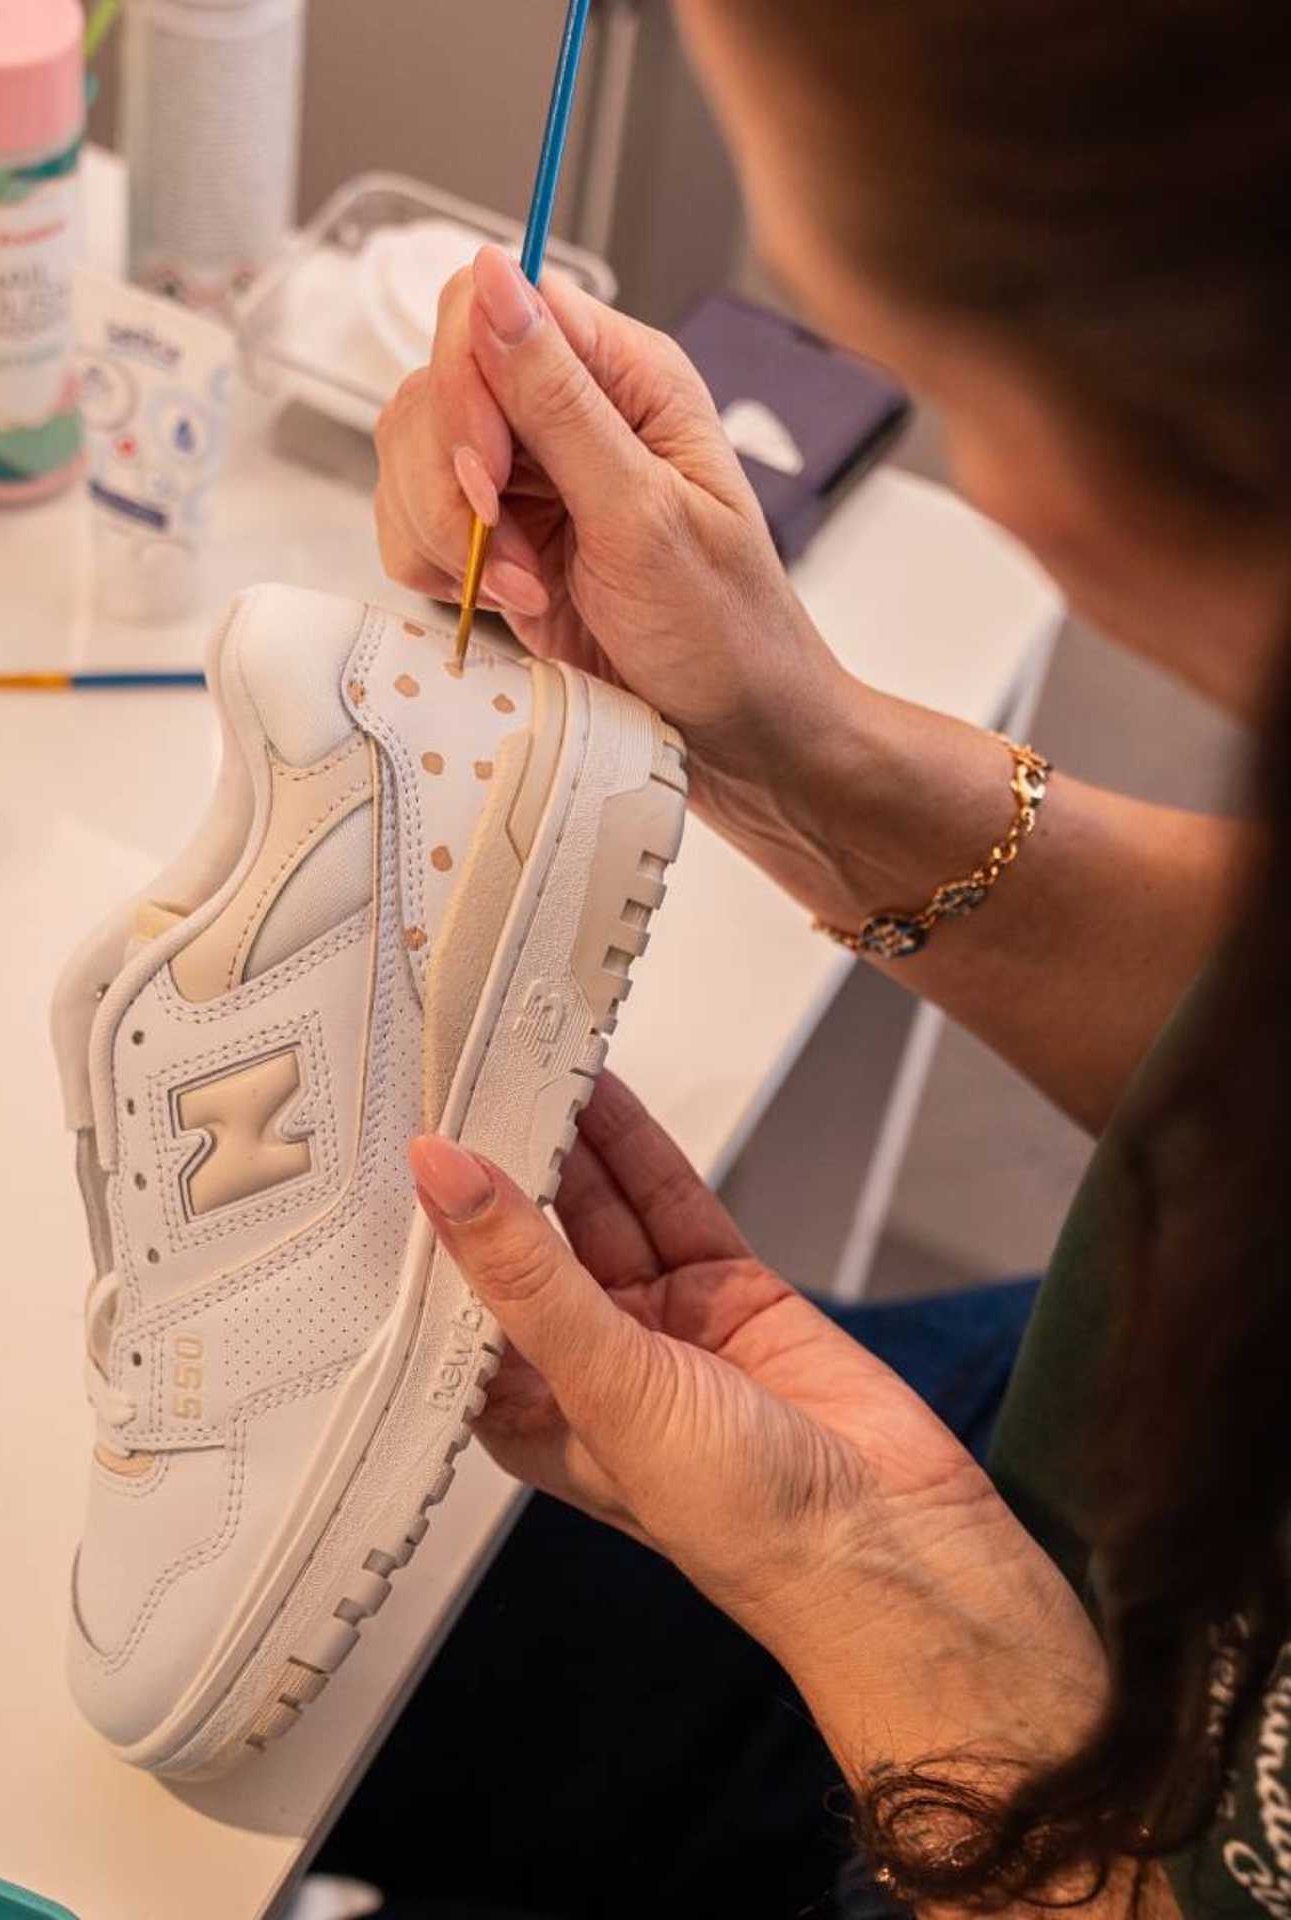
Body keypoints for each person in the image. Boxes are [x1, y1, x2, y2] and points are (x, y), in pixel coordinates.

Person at [323, 0, 1291, 1914]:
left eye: (907, 343)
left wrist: (854, 1573)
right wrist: (786, 737)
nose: (985, 485)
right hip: (1124, 1413)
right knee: (386, 1660)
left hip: (1077, 1818)